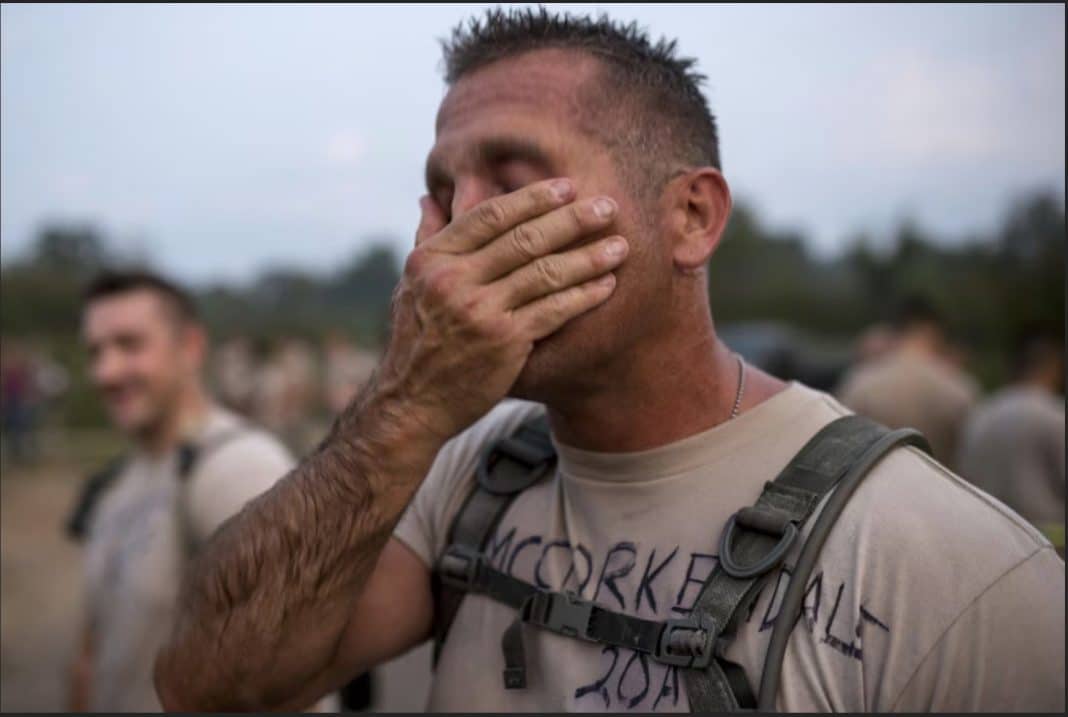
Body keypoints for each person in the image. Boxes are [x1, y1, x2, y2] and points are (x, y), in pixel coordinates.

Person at [154, 9, 1064, 713]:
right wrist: (402, 405)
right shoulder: (466, 471)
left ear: (692, 219)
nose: (449, 238)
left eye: (511, 183)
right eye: (441, 193)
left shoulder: (956, 569)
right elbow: (209, 683)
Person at [65, 270, 336, 712]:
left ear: (190, 346)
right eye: (95, 351)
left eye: (129, 346)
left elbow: (291, 685)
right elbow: (92, 652)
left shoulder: (239, 471)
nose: (106, 372)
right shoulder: (115, 483)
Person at [836, 296, 979, 471]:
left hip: (873, 493)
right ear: (934, 330)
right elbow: (971, 463)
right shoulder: (959, 389)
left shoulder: (861, 383)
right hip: (935, 493)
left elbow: (840, 452)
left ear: (896, 330)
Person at [958, 331, 1065, 551]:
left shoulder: (981, 414)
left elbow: (964, 477)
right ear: (1053, 367)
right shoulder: (1054, 415)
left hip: (989, 542)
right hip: (1048, 547)